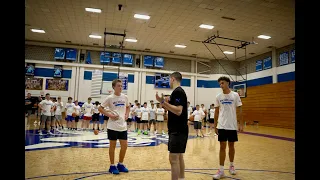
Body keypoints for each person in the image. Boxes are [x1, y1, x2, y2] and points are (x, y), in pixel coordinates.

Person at [155, 72, 188, 180]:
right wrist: (164, 102)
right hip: (178, 129)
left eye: (169, 80)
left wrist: (163, 102)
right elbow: (173, 109)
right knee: (179, 157)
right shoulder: (177, 92)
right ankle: (182, 178)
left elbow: (178, 111)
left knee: (173, 159)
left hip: (177, 130)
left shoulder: (178, 91)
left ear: (173, 79)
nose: (169, 82)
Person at [212, 76, 244, 180]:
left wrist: (240, 124)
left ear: (228, 83)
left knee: (231, 146)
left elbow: (240, 109)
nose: (221, 85)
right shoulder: (218, 96)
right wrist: (215, 124)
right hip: (221, 125)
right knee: (222, 146)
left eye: (222, 83)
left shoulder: (235, 95)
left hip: (232, 125)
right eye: (220, 84)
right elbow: (216, 112)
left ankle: (231, 165)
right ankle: (221, 170)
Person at [98, 79, 130, 175]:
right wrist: (110, 115)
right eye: (118, 86)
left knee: (124, 146)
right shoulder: (110, 98)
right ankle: (112, 166)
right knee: (113, 146)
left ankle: (120, 164)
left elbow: (128, 107)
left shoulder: (125, 97)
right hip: (112, 126)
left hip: (123, 126)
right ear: (113, 87)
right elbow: (100, 108)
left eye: (121, 86)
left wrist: (127, 114)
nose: (120, 87)